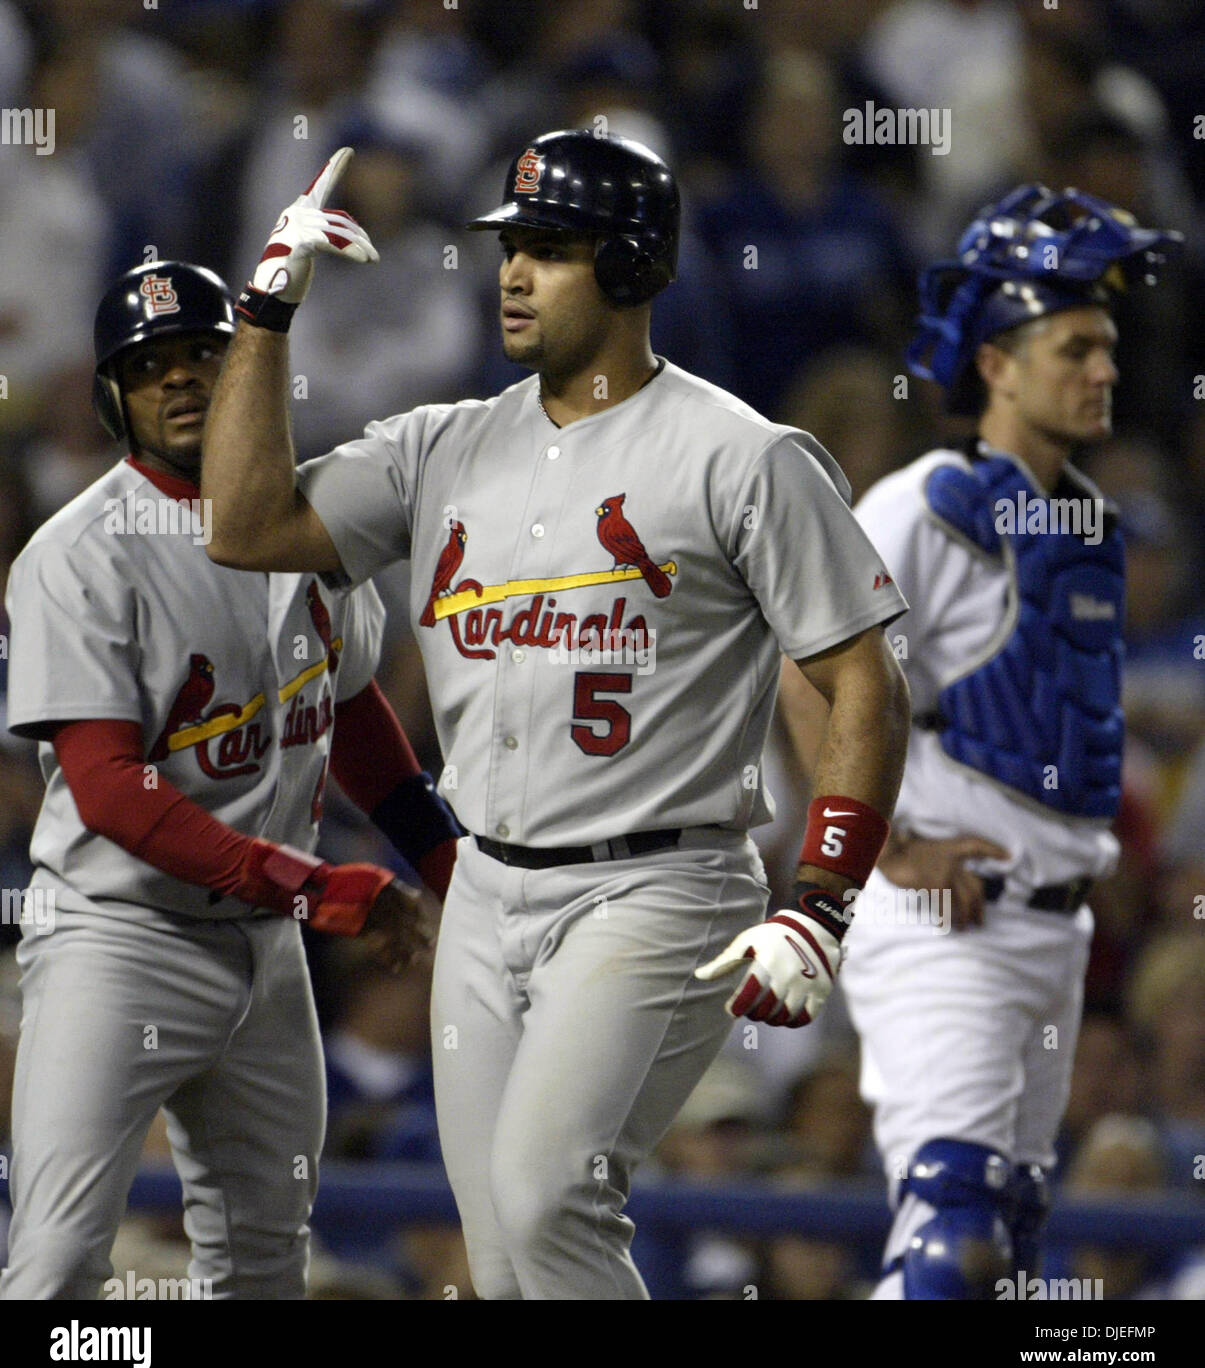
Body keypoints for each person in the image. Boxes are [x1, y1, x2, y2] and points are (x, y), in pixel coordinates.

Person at [201, 132, 911, 1300]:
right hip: (480, 888)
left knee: (546, 1201)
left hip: (658, 884)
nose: (513, 274)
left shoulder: (743, 455)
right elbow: (243, 524)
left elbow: (865, 680)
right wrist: (263, 319)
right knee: (503, 1257)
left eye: (550, 249)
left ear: (630, 268)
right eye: (509, 248)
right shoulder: (443, 442)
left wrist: (823, 903)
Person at [0, 260, 458, 1300]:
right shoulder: (76, 555)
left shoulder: (306, 523)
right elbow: (112, 790)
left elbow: (351, 716)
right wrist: (313, 887)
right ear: (116, 396)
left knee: (263, 1261)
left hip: (262, 946)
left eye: (204, 354)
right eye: (150, 365)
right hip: (119, 941)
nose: (180, 380)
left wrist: (448, 862)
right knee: (59, 1264)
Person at [831, 185, 1180, 1299]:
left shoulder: (1083, 518)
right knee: (951, 1240)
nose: (1101, 369)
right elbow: (809, 667)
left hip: (1050, 933)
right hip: (945, 920)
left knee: (1008, 1251)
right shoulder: (919, 501)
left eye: (1106, 347)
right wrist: (883, 850)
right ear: (994, 362)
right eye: (1073, 346)